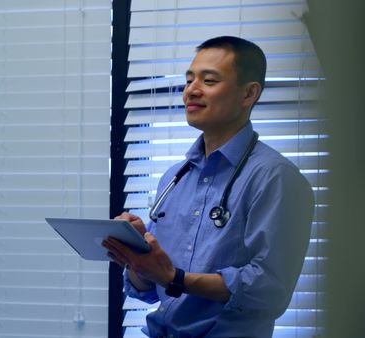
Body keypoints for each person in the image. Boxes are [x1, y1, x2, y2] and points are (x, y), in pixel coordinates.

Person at [103, 36, 315, 337]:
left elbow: (270, 290)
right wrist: (136, 257)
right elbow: (150, 290)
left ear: (249, 94)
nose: (192, 90)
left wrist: (175, 277)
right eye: (189, 80)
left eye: (209, 80)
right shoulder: (174, 178)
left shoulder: (276, 178)